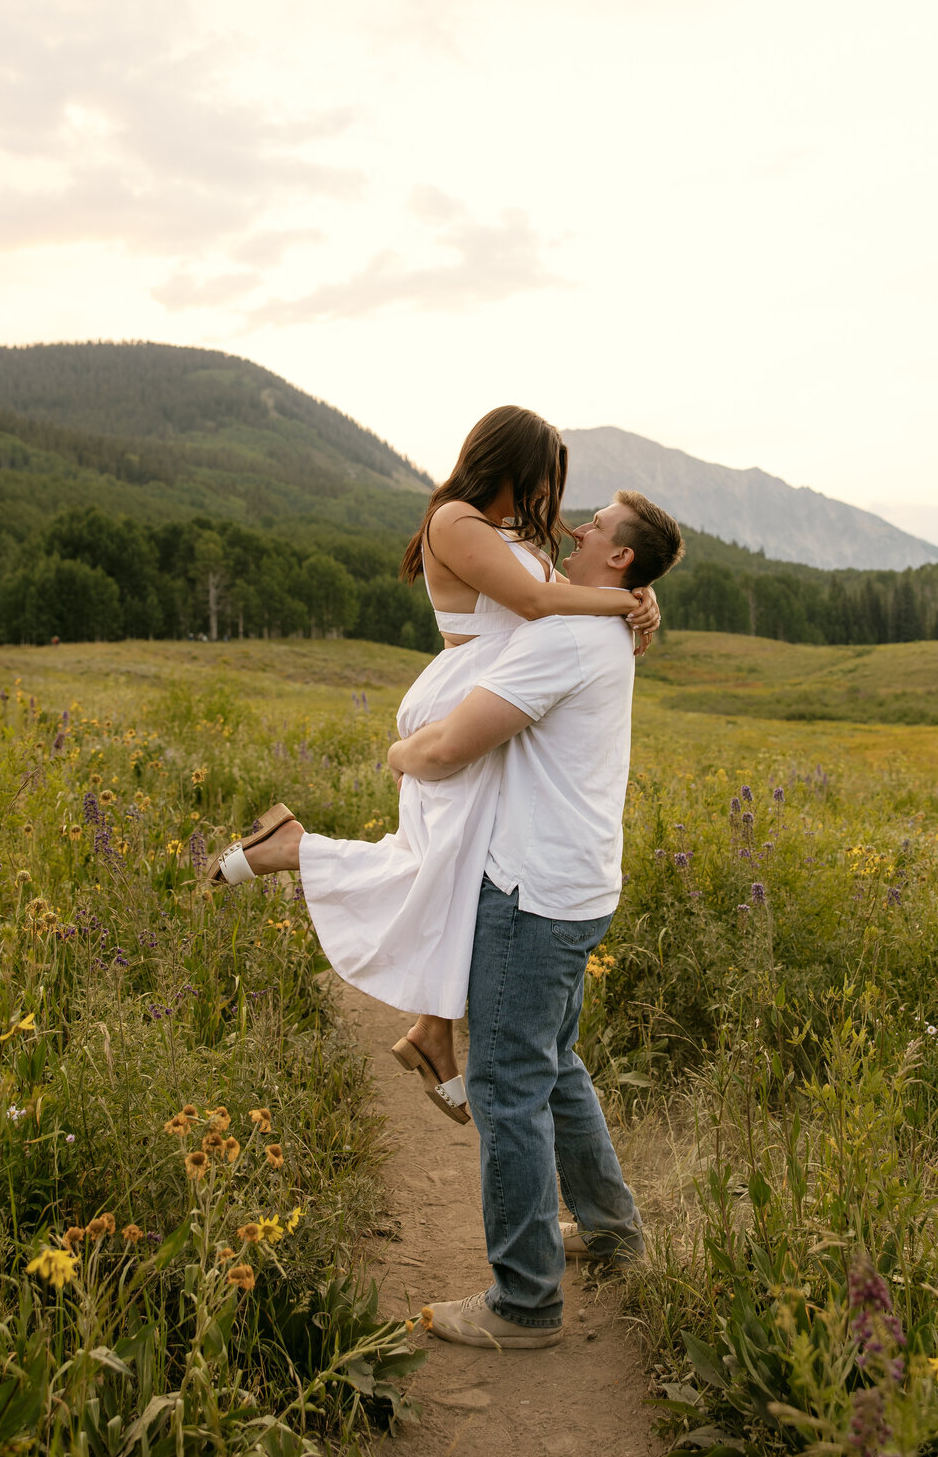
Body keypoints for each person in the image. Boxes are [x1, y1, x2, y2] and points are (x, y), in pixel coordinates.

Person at [202, 408, 660, 1123]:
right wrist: (620, 598)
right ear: (513, 464)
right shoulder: (454, 521)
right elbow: (538, 600)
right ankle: (291, 849)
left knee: (454, 867)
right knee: (436, 867)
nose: (553, 498)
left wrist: (639, 596)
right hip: (462, 702)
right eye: (546, 476)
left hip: (496, 702)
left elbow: (558, 585)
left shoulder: (511, 532)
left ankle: (432, 1031)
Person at [385, 489, 684, 1347]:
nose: (579, 526)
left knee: (506, 1086)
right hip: (581, 884)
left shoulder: (565, 636)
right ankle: (613, 1231)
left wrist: (402, 753)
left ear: (620, 560)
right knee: (553, 1065)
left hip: (532, 895)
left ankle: (524, 1303)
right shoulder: (609, 624)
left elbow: (450, 746)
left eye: (597, 526)